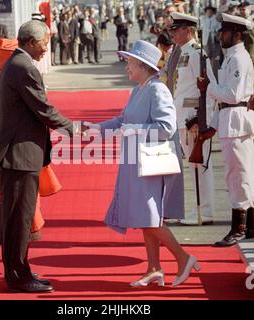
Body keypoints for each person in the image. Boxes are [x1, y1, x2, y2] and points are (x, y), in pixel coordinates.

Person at [85, 40, 200, 287]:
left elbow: (166, 128)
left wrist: (135, 130)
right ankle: (154, 268)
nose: (127, 67)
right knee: (146, 218)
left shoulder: (157, 90)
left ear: (143, 66)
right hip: (138, 163)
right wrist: (98, 129)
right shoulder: (139, 89)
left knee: (149, 218)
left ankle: (184, 257)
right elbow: (122, 120)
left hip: (151, 164)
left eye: (130, 63)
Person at [0, 20, 87, 293]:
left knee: (17, 219)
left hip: (18, 153)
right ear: (31, 42)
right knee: (19, 219)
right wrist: (74, 128)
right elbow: (43, 109)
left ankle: (19, 270)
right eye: (45, 43)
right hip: (20, 155)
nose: (47, 48)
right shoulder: (23, 67)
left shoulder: (17, 64)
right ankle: (18, 277)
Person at [0, 38, 61, 244]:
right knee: (21, 202)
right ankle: (19, 250)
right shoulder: (7, 84)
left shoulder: (1, 78)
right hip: (13, 151)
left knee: (3, 200)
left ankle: (1, 239)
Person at [199, 13, 254, 246]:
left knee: (239, 176)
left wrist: (209, 87)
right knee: (238, 175)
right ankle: (248, 226)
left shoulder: (240, 59)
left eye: (225, 32)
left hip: (237, 121)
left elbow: (232, 95)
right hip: (229, 120)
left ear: (237, 34)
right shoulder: (231, 58)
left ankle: (239, 228)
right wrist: (212, 124)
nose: (221, 35)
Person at [168, 12, 215, 226]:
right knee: (193, 166)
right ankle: (198, 209)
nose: (173, 34)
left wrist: (201, 119)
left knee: (200, 165)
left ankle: (203, 212)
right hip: (182, 117)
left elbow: (208, 88)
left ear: (188, 30)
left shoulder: (197, 54)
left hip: (193, 119)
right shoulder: (182, 52)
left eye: (176, 30)